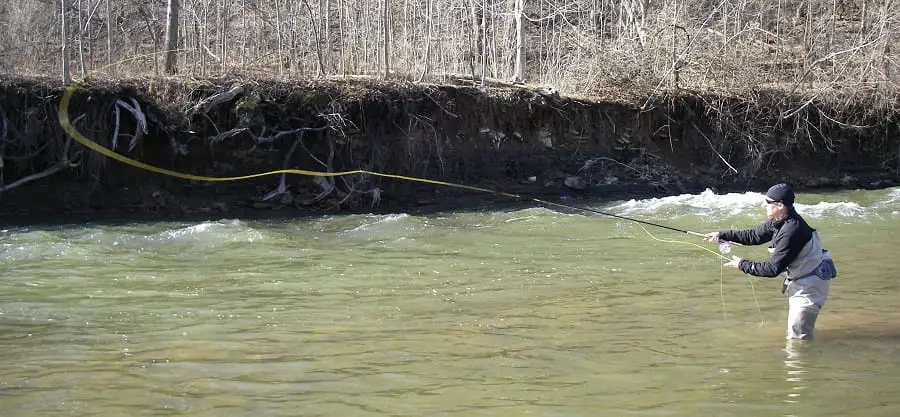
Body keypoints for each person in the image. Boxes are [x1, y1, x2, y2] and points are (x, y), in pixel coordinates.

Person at [701, 183, 836, 340]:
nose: (764, 205)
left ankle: (801, 363)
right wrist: (722, 235)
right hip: (802, 276)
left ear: (779, 205)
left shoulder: (792, 230)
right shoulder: (780, 220)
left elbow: (772, 269)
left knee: (799, 337)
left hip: (811, 284)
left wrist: (741, 264)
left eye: (767, 202)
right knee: (797, 334)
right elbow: (754, 236)